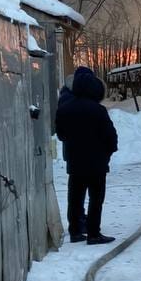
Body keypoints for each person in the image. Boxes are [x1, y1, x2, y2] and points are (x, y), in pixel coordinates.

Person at [55, 66, 119, 246]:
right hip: (96, 162)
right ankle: (93, 233)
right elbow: (110, 136)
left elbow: (61, 134)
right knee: (96, 198)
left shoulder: (64, 109)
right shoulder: (98, 110)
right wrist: (108, 152)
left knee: (75, 196)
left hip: (75, 161)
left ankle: (75, 231)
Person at [56, 83, 86, 238]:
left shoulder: (65, 99)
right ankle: (76, 223)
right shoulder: (70, 102)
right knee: (76, 191)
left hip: (72, 151)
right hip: (76, 152)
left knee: (76, 190)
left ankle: (78, 219)